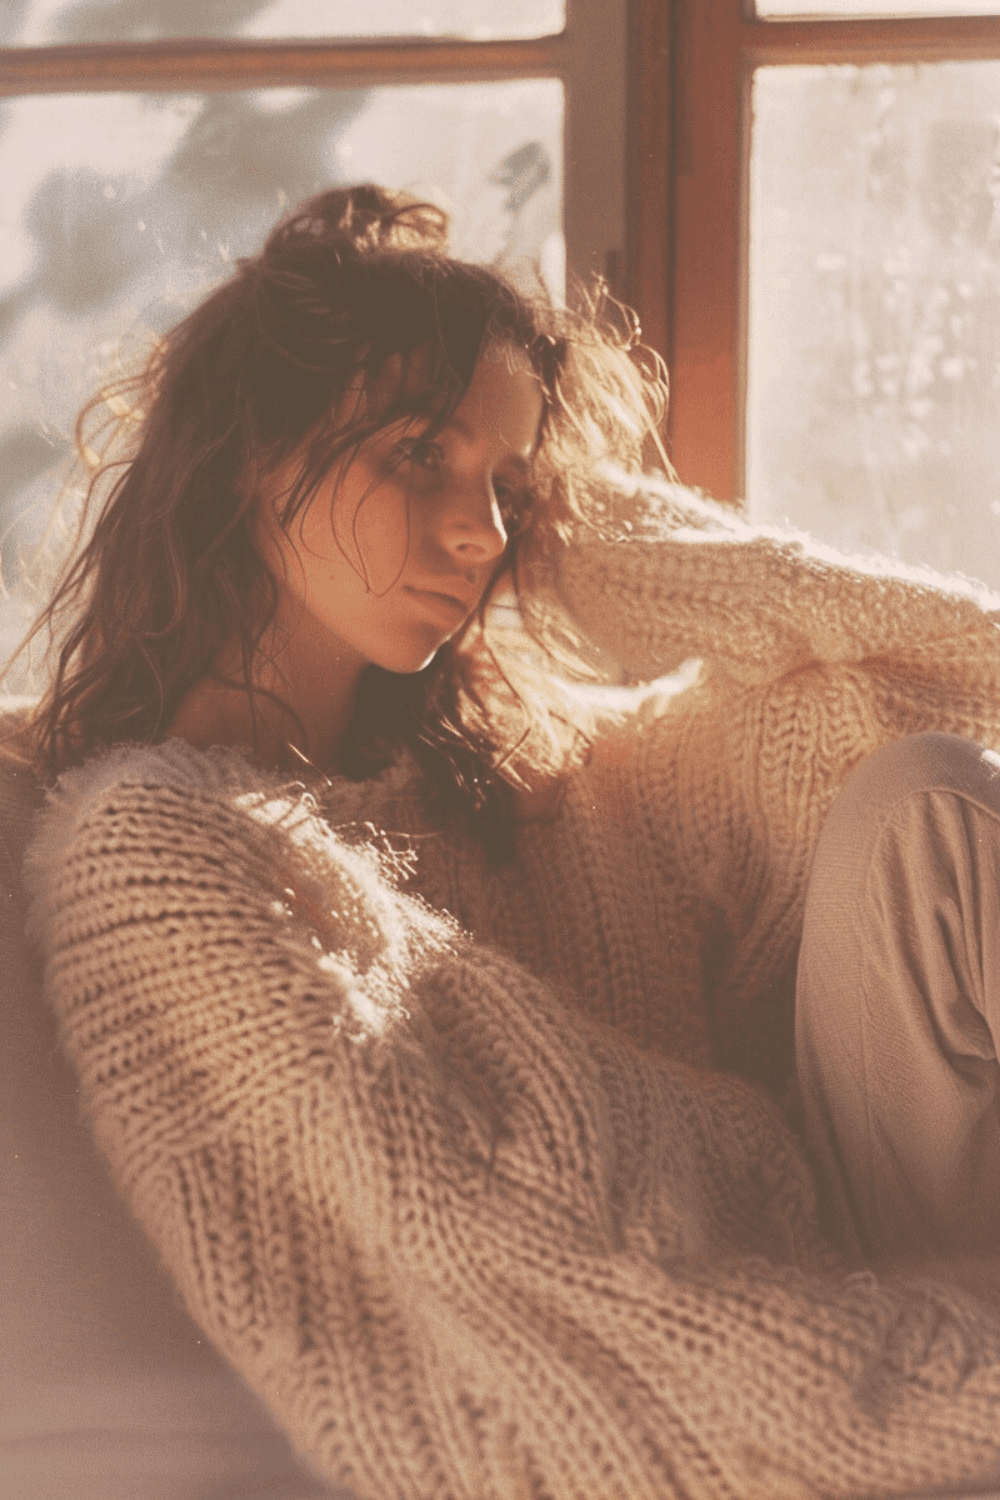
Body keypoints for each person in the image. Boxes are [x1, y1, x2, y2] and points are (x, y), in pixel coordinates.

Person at [12, 182, 1000, 1498]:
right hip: (759, 1374)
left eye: (510, 484)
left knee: (925, 797)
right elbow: (511, 1264)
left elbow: (961, 695)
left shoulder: (558, 780)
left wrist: (599, 549)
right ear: (252, 450)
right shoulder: (160, 850)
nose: (481, 532)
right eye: (420, 453)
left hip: (879, 1244)